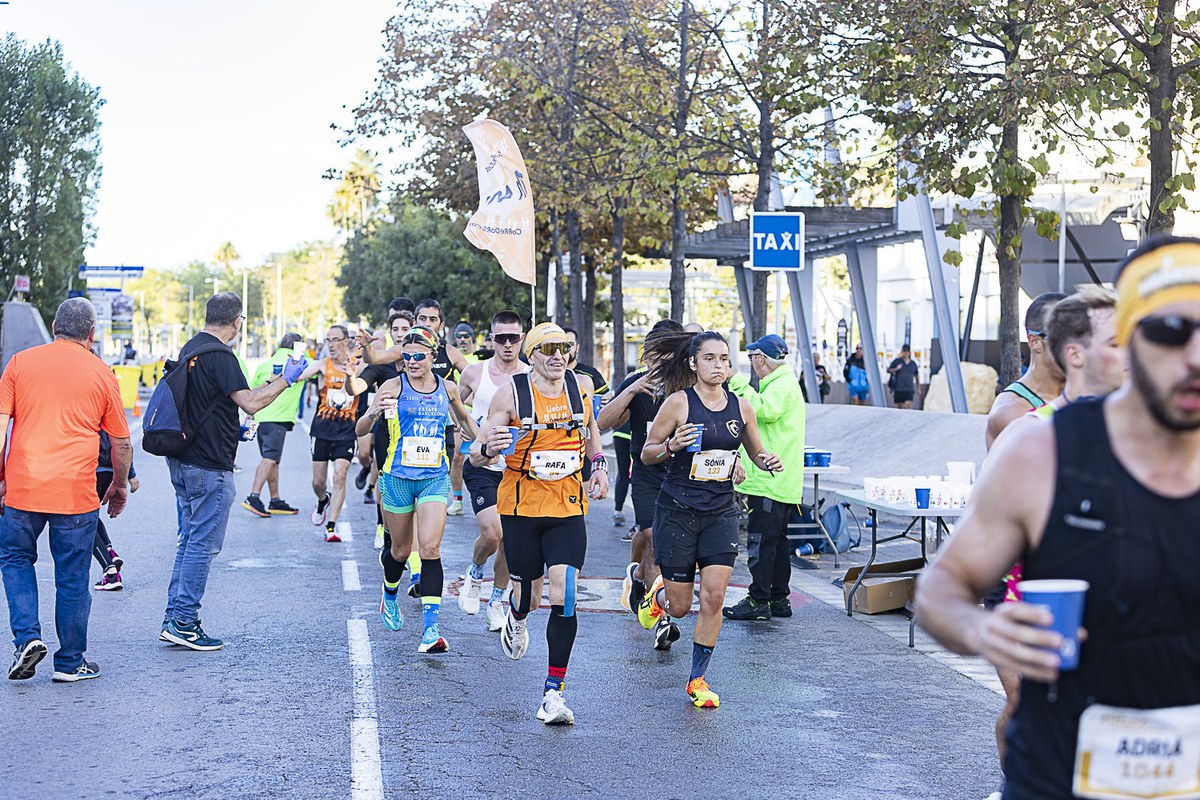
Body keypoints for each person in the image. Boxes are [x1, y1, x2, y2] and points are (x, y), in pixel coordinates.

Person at [917, 236, 1200, 800]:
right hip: (1059, 777)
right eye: (1170, 332)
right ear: (1129, 339)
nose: (1194, 358)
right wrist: (984, 629)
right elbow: (940, 588)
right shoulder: (1041, 451)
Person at [470, 322, 608, 725]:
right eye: (548, 350)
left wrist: (597, 465)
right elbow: (478, 452)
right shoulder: (510, 393)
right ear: (532, 355)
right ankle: (515, 613)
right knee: (529, 597)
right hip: (521, 507)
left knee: (564, 593)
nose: (557, 357)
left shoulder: (580, 387)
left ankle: (553, 692)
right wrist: (487, 449)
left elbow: (591, 429)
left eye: (563, 349)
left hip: (566, 506)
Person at [637, 330, 782, 708]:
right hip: (678, 510)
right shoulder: (678, 404)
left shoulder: (742, 407)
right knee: (681, 607)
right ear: (693, 364)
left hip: (720, 512)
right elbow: (647, 454)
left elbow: (756, 452)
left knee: (714, 596)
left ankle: (697, 679)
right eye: (710, 359)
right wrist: (671, 445)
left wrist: (764, 462)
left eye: (724, 359)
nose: (719, 366)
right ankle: (658, 595)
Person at [158, 293, 306, 651]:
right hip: (209, 466)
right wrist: (287, 380)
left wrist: (232, 428)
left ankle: (173, 617)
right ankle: (184, 621)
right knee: (202, 545)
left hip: (183, 459)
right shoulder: (221, 355)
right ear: (237, 320)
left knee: (189, 541)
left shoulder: (191, 348)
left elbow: (208, 404)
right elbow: (251, 402)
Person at [0, 298, 131, 682]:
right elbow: (121, 444)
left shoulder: (20, 364)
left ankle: (27, 637)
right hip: (75, 495)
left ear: (56, 326)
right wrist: (119, 486)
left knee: (14, 559)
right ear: (91, 335)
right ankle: (71, 662)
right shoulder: (102, 373)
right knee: (72, 576)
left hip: (22, 490)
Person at [978, 291, 1066, 773]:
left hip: (1069, 569)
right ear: (1035, 341)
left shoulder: (1091, 398)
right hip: (1014, 570)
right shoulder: (1012, 411)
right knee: (1022, 697)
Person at [360, 326, 476, 653]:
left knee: (430, 549)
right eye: (406, 355)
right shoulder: (391, 386)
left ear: (433, 357)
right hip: (396, 478)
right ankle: (390, 593)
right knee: (399, 551)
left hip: (433, 477)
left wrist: (486, 443)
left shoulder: (448, 388)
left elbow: (465, 421)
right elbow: (361, 427)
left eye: (418, 356)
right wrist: (373, 412)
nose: (411, 361)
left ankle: (430, 629)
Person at [597, 319, 685, 648]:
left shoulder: (689, 388)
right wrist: (631, 391)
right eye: (654, 353)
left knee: (661, 544)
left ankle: (636, 577)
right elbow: (602, 423)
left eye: (668, 353)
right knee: (652, 537)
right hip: (647, 473)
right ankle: (662, 619)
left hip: (680, 473)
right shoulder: (636, 383)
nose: (660, 360)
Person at [722, 333, 806, 621]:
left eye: (753, 358)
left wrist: (735, 382)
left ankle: (759, 599)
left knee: (761, 541)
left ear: (762, 360)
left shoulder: (780, 385)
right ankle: (778, 599)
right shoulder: (783, 382)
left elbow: (762, 410)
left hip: (769, 478)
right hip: (781, 481)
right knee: (778, 543)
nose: (752, 363)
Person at [455, 311, 529, 631]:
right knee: (493, 532)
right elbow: (454, 404)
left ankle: (497, 599)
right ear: (491, 339)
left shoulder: (531, 376)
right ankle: (474, 573)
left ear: (522, 339)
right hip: (482, 463)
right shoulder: (474, 372)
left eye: (514, 337)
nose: (508, 344)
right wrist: (466, 429)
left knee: (510, 540)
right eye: (501, 338)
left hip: (518, 469)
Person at [365, 300, 471, 514]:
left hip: (440, 433)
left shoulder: (450, 353)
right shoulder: (406, 347)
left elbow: (475, 381)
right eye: (422, 318)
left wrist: (459, 403)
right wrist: (366, 346)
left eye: (433, 319)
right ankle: (386, 528)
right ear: (415, 321)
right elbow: (374, 358)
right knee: (401, 531)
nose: (428, 323)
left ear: (441, 325)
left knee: (427, 509)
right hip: (401, 428)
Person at [290, 326, 358, 543]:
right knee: (318, 481)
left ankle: (331, 526)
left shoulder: (357, 364)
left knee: (340, 475)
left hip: (347, 429)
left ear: (346, 341)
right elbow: (298, 377)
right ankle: (322, 499)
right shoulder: (322, 365)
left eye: (335, 340)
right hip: (322, 428)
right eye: (327, 340)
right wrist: (296, 357)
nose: (330, 344)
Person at [352, 311, 411, 550]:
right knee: (383, 477)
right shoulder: (382, 363)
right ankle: (382, 526)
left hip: (416, 433)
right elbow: (357, 385)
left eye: (404, 329)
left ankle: (409, 542)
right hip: (386, 429)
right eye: (395, 329)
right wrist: (349, 377)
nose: (399, 334)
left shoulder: (423, 361)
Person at [985, 292, 1067, 448]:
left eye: (1082, 337)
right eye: (1064, 338)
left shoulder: (1088, 394)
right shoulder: (1011, 411)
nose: (1076, 348)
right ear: (1035, 342)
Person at [241, 333, 306, 518]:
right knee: (269, 458)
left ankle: (275, 499)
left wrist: (250, 416)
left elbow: (252, 391)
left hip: (261, 416)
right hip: (277, 418)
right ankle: (253, 496)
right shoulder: (299, 361)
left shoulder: (265, 364)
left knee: (273, 460)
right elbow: (318, 367)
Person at [92, 430, 140, 591]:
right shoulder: (111, 404)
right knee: (89, 517)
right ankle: (109, 551)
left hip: (90, 468)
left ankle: (110, 571)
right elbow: (123, 442)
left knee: (82, 522)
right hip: (112, 471)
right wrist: (130, 474)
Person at [886, 344, 920, 409]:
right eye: (904, 351)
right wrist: (896, 369)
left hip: (909, 389)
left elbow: (916, 375)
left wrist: (918, 387)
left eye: (907, 351)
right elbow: (888, 370)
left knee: (908, 405)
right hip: (899, 389)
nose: (906, 353)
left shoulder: (913, 364)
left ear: (909, 353)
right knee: (901, 408)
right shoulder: (897, 361)